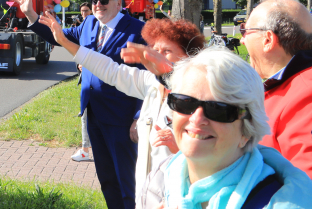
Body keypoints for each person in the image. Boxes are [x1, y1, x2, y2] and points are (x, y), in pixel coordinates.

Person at [104, 47, 312, 209]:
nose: (197, 118)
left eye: (219, 110)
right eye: (184, 103)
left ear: (247, 130)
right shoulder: (161, 178)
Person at [16, 0, 146, 209]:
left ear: (119, 4)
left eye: (104, 1)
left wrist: (139, 116)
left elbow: (148, 77)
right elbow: (58, 38)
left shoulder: (138, 30)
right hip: (94, 113)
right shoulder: (89, 24)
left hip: (122, 117)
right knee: (106, 176)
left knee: (126, 177)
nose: (97, 5)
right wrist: (30, 14)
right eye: (94, 0)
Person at [42, 12, 204, 197]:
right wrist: (64, 41)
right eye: (154, 50)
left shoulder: (200, 94)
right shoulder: (151, 82)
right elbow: (110, 70)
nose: (156, 56)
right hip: (148, 200)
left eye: (166, 51)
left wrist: (180, 150)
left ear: (188, 56)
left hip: (179, 201)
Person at [241, 0, 312, 178]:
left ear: (268, 40)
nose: (242, 40)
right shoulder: (292, 84)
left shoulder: (306, 94)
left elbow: (306, 184)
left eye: (245, 31)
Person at [72, 1, 94, 162]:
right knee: (85, 115)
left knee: (88, 115)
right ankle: (85, 148)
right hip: (86, 77)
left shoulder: (96, 28)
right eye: (82, 11)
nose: (84, 14)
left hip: (97, 79)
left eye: (86, 11)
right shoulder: (82, 29)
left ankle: (86, 149)